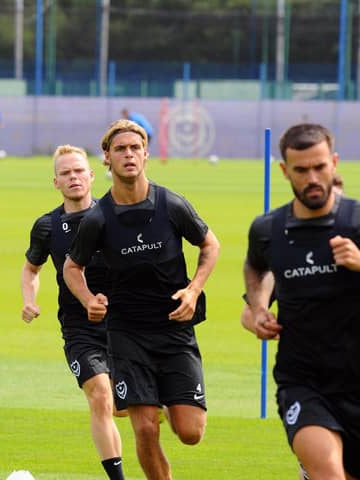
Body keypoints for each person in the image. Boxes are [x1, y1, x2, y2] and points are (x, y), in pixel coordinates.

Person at [63, 119, 220, 480]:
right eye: (120, 149)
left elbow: (210, 244)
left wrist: (194, 289)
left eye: (135, 148)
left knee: (190, 432)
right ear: (107, 158)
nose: (129, 154)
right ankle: (144, 400)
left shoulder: (171, 204)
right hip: (127, 333)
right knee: (146, 428)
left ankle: (156, 394)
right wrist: (88, 299)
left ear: (146, 153)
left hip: (174, 329)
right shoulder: (98, 217)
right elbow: (73, 267)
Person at [244, 123, 360, 480]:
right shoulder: (268, 229)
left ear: (334, 163)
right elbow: (257, 269)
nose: (312, 177)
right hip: (303, 381)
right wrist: (257, 310)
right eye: (301, 169)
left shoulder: (356, 222)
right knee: (328, 472)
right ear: (284, 170)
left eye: (320, 167)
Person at [21, 145, 126, 480]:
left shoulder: (116, 216)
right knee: (100, 395)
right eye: (66, 173)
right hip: (79, 330)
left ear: (92, 175)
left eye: (79, 171)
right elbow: (31, 269)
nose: (74, 178)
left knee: (123, 406)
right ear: (56, 182)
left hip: (124, 325)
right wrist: (29, 300)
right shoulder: (47, 226)